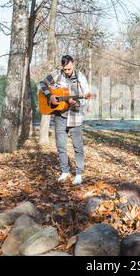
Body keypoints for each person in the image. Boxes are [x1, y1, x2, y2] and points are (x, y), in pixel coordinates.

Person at [38, 55, 89, 185]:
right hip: (60, 116)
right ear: (62, 67)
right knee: (60, 145)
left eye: (69, 69)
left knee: (78, 146)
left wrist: (75, 102)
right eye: (65, 69)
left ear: (73, 65)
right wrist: (49, 95)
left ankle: (78, 173)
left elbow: (84, 98)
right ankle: (65, 171)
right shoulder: (56, 74)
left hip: (75, 116)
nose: (67, 71)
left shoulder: (81, 78)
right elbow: (41, 83)